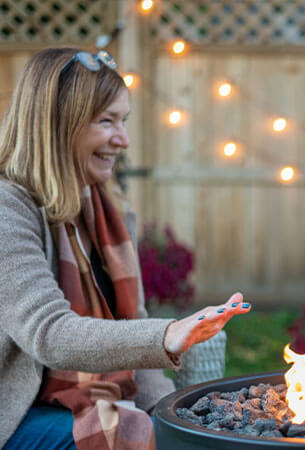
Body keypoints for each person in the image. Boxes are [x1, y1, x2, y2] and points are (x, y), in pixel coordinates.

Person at [0, 48, 252, 449]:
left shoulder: (111, 209)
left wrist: (174, 414)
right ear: (59, 125)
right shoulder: (8, 209)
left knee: (191, 434)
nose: (123, 139)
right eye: (107, 121)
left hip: (92, 402)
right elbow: (48, 333)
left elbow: (131, 326)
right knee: (133, 437)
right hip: (16, 414)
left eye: (124, 120)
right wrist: (166, 336)